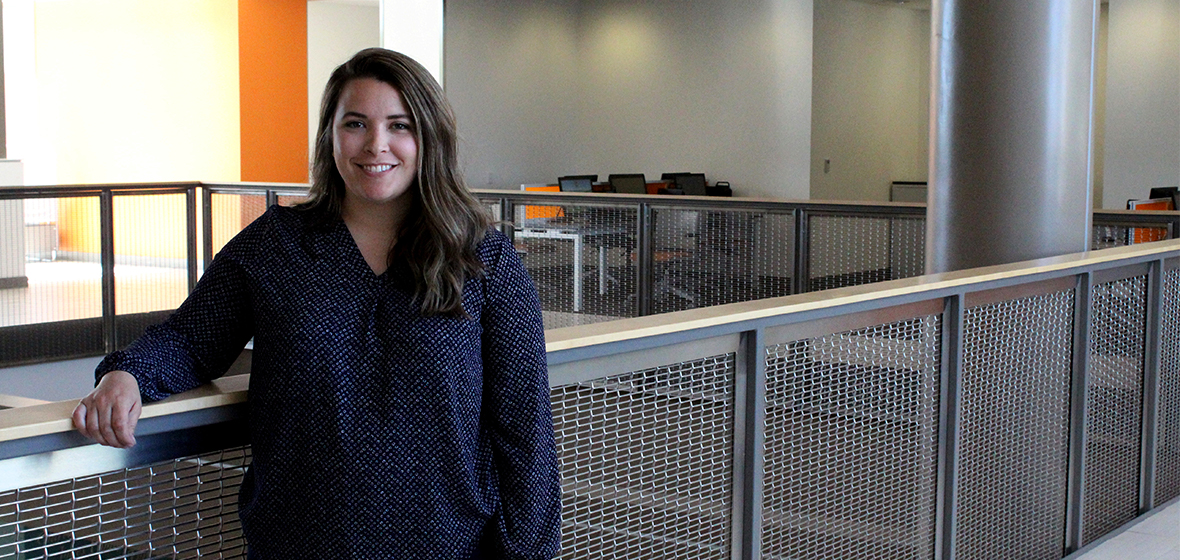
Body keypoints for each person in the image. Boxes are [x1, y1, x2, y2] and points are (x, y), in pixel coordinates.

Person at [72, 48, 562, 559]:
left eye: (400, 125)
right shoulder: (275, 246)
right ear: (330, 135)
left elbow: (525, 427)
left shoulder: (482, 258)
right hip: (300, 541)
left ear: (429, 137)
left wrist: (531, 552)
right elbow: (191, 339)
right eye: (356, 123)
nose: (377, 144)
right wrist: (125, 374)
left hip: (448, 543)